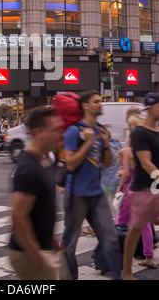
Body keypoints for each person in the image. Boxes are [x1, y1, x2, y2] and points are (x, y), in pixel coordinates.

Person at [62, 90, 123, 280]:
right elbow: (70, 163)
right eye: (97, 101)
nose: (101, 104)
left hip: (96, 194)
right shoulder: (74, 131)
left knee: (111, 238)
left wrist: (104, 143)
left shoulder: (99, 130)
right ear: (86, 106)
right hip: (76, 195)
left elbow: (107, 162)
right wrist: (88, 143)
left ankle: (117, 275)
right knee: (69, 244)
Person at [8, 106, 65, 280]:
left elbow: (41, 207)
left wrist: (51, 238)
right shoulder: (29, 168)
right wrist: (34, 253)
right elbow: (18, 216)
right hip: (29, 252)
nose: (59, 135)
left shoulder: (43, 159)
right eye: (54, 130)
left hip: (42, 246)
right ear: (37, 132)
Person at [122, 93, 159, 280]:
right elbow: (146, 163)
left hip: (156, 188)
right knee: (135, 230)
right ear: (151, 108)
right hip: (144, 188)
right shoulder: (140, 133)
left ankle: (147, 258)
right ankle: (127, 272)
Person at [115, 113, 156, 270]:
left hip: (132, 190)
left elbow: (127, 172)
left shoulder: (128, 150)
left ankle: (119, 258)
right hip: (148, 188)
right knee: (144, 226)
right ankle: (148, 256)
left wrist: (120, 187)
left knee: (122, 222)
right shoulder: (149, 146)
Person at [101, 132, 122, 218]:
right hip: (117, 178)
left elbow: (103, 164)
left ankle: (94, 228)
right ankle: (120, 224)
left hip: (106, 179)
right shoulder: (116, 144)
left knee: (99, 205)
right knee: (117, 205)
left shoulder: (105, 148)